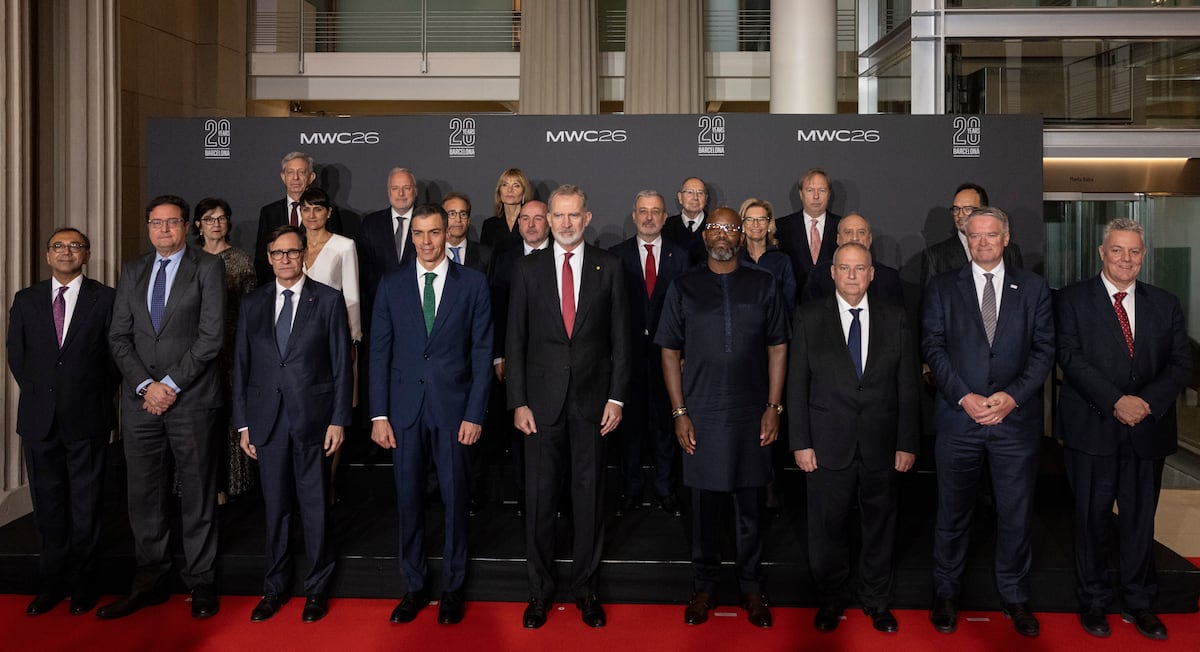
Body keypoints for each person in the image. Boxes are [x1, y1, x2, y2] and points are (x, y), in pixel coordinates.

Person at [1055, 218, 1191, 641]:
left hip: (1147, 430)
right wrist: (1116, 400)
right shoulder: (1072, 300)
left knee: (1139, 522)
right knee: (1091, 521)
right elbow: (1069, 357)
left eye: (1134, 251)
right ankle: (1093, 601)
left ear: (1143, 255)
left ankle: (1139, 602)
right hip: (1092, 429)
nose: (1126, 259)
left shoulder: (1165, 303)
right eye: (1117, 250)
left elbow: (1181, 363)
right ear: (1102, 252)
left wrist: (1144, 403)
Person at [922, 206, 1054, 638]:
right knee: (952, 514)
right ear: (966, 238)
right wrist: (964, 396)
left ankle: (1014, 596)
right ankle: (946, 594)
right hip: (959, 420)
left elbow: (1044, 350)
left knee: (1015, 514)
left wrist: (1012, 397)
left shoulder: (1033, 288)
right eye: (974, 235)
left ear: (1006, 238)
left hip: (1014, 422)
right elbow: (933, 347)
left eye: (991, 235)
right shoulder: (943, 286)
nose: (982, 242)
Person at [656, 207, 789, 629]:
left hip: (752, 414)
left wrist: (773, 407)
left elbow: (778, 346)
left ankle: (751, 586)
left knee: (751, 508)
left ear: (741, 236)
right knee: (703, 509)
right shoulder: (684, 286)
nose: (721, 234)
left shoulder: (764, 283)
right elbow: (669, 351)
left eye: (730, 228)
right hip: (702, 413)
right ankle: (704, 587)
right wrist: (680, 412)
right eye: (714, 227)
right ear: (705, 235)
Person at [506, 184, 630, 629]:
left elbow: (621, 339)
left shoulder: (609, 267)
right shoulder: (527, 269)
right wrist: (518, 401)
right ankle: (539, 593)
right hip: (540, 406)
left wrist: (616, 397)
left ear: (587, 217)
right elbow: (515, 340)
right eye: (557, 215)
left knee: (589, 500)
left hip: (593, 405)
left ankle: (586, 591)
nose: (564, 223)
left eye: (573, 215)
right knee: (539, 502)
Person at [102, 195, 226, 620]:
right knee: (144, 493)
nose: (164, 230)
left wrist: (169, 385)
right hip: (141, 404)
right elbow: (119, 336)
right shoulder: (133, 270)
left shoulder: (207, 267)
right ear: (149, 227)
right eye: (156, 223)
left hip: (191, 399)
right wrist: (145, 386)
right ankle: (150, 577)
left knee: (197, 491)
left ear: (187, 226)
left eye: (172, 222)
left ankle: (201, 579)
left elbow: (211, 337)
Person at [370, 204, 493, 626]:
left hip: (454, 411)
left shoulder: (473, 283)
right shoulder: (391, 284)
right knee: (408, 501)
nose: (426, 241)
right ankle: (414, 585)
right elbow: (379, 353)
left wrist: (475, 413)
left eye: (434, 232)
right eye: (419, 233)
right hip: (404, 412)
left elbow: (482, 353)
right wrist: (378, 414)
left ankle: (453, 587)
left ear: (448, 232)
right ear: (412, 237)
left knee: (456, 500)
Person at [788, 242, 920, 634]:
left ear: (872, 274)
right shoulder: (809, 317)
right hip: (826, 445)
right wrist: (800, 442)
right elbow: (797, 386)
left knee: (880, 527)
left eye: (859, 268)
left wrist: (907, 442)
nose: (851, 275)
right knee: (827, 528)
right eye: (844, 268)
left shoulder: (895, 317)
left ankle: (876, 600)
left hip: (882, 445)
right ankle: (831, 599)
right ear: (832, 273)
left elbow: (908, 386)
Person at [232, 225, 352, 624]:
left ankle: (316, 589)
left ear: (304, 255)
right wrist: (243, 424)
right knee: (276, 509)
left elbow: (342, 365)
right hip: (266, 422)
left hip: (314, 419)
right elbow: (241, 366)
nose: (285, 259)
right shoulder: (252, 303)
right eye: (278, 253)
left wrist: (339, 418)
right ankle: (274, 587)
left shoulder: (328, 300)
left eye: (292, 252)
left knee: (315, 508)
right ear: (268, 258)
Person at [7, 228, 117, 616]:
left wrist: (87, 394)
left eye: (75, 246)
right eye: (58, 246)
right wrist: (43, 396)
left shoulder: (106, 299)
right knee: (48, 506)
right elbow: (17, 356)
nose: (66, 251)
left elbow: (114, 360)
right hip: (39, 420)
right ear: (47, 255)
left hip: (87, 417)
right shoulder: (26, 299)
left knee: (86, 505)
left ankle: (83, 586)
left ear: (86, 254)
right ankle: (51, 584)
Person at [609, 190, 689, 517]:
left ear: (665, 216)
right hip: (627, 359)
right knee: (629, 428)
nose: (649, 217)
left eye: (655, 211)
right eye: (643, 211)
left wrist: (685, 352)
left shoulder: (680, 256)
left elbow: (688, 309)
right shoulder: (615, 256)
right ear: (634, 215)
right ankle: (630, 490)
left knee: (665, 425)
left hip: (667, 356)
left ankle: (665, 489)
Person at [193, 197, 258, 501]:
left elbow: (251, 308)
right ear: (198, 225)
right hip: (194, 348)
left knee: (230, 414)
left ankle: (229, 483)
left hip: (232, 346)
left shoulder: (242, 260)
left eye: (221, 218)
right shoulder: (189, 260)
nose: (216, 224)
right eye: (209, 219)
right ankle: (199, 484)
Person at [490, 200, 552, 517]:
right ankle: (525, 497)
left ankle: (554, 498)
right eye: (525, 219)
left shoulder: (563, 256)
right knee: (519, 430)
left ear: (549, 222)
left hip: (555, 362)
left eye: (537, 218)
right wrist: (499, 356)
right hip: (516, 360)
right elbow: (498, 311)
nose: (530, 224)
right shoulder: (505, 260)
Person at [254, 152, 342, 284]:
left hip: (318, 284)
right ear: (283, 177)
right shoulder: (269, 212)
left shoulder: (327, 212)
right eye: (290, 172)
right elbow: (262, 258)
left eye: (301, 172)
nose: (295, 178)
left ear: (311, 177)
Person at [921, 182, 1023, 286]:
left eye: (967, 209)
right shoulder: (936, 257)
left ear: (983, 210)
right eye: (956, 209)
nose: (960, 215)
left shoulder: (1010, 252)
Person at [299, 187, 362, 344]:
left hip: (329, 326)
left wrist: (354, 335)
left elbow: (351, 294)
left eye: (318, 209)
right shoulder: (293, 246)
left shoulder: (344, 246)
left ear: (328, 213)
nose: (311, 215)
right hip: (296, 327)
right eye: (306, 209)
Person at [801, 212, 903, 307]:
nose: (854, 238)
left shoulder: (889, 278)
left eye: (861, 232)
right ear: (838, 239)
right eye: (848, 232)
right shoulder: (819, 275)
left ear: (869, 239)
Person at [358, 167, 418, 326]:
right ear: (388, 191)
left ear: (415, 191)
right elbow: (364, 270)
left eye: (406, 188)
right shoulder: (371, 223)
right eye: (395, 188)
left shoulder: (427, 221)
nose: (401, 193)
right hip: (379, 308)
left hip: (418, 309)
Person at [774, 168, 841, 294]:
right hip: (794, 302)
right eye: (810, 190)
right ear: (801, 194)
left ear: (829, 194)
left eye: (822, 190)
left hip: (832, 300)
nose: (816, 196)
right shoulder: (782, 227)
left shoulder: (842, 226)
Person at [737, 198, 797, 307]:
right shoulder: (735, 259)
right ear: (743, 225)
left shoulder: (782, 260)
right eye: (750, 219)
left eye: (761, 219)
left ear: (769, 224)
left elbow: (789, 301)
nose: (756, 224)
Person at [480, 168, 533, 252]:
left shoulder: (532, 223)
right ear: (499, 191)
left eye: (516, 185)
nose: (510, 190)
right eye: (505, 185)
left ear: (524, 192)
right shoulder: (489, 225)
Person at [443, 192, 494, 277]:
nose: (458, 219)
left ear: (468, 220)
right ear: (442, 219)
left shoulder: (486, 255)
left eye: (463, 214)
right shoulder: (431, 252)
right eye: (452, 214)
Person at [661, 176, 709, 266]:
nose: (695, 197)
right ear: (680, 197)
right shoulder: (665, 226)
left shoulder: (714, 226)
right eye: (690, 192)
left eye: (700, 193)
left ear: (706, 198)